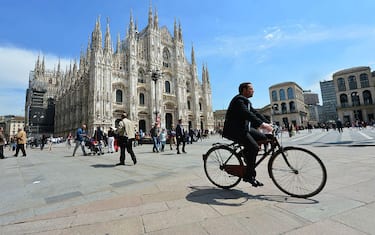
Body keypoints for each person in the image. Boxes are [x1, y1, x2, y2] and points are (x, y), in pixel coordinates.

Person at [222, 82, 273, 187]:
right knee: (254, 147)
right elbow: (247, 114)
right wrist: (262, 125)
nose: (253, 90)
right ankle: (249, 176)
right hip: (234, 130)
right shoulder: (238, 100)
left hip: (244, 128)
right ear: (244, 90)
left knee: (263, 137)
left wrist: (267, 123)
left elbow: (256, 113)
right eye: (251, 89)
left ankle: (244, 153)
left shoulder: (246, 102)